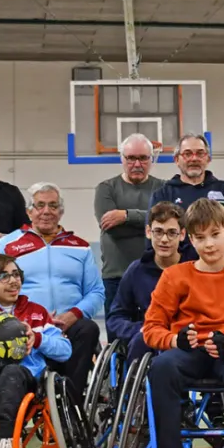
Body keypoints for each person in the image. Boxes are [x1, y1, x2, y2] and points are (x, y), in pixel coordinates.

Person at [142, 198, 224, 448]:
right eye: (200, 237)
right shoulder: (174, 275)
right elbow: (152, 327)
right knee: (162, 367)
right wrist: (174, 340)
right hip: (190, 351)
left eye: (215, 235)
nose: (209, 244)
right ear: (190, 239)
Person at [0, 182, 104, 403]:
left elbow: (96, 292)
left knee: (88, 329)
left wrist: (72, 315)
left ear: (60, 211)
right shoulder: (7, 245)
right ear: (29, 211)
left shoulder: (79, 246)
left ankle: (71, 405)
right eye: (40, 205)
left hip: (69, 328)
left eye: (53, 206)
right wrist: (21, 321)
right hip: (23, 326)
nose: (46, 211)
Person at [0, 254, 73, 448]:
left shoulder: (37, 313)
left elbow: (65, 350)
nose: (13, 281)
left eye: (16, 274)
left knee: (12, 371)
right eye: (3, 276)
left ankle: (8, 437)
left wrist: (37, 339)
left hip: (26, 384)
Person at [94, 134, 167, 336]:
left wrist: (126, 215)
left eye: (143, 158)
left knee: (157, 334)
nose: (137, 164)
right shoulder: (106, 189)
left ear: (152, 159)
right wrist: (151, 222)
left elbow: (168, 223)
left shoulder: (163, 188)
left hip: (157, 275)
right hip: (116, 277)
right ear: (122, 158)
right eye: (131, 158)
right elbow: (114, 229)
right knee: (118, 337)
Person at [106, 201, 184, 363]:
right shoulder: (136, 271)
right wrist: (139, 329)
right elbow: (116, 317)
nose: (164, 239)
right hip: (148, 338)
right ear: (148, 232)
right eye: (158, 232)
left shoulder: (193, 267)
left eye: (171, 233)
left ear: (182, 235)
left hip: (184, 338)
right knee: (141, 340)